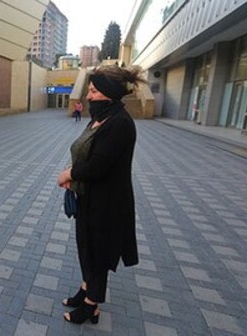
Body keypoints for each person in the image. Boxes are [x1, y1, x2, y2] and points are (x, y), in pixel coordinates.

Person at [57, 65, 145, 324]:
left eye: (94, 91)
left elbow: (98, 166)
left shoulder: (119, 124)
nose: (88, 96)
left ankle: (90, 306)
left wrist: (69, 174)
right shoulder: (101, 118)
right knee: (86, 247)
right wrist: (74, 173)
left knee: (98, 253)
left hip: (107, 203)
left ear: (108, 93)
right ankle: (86, 291)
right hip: (90, 197)